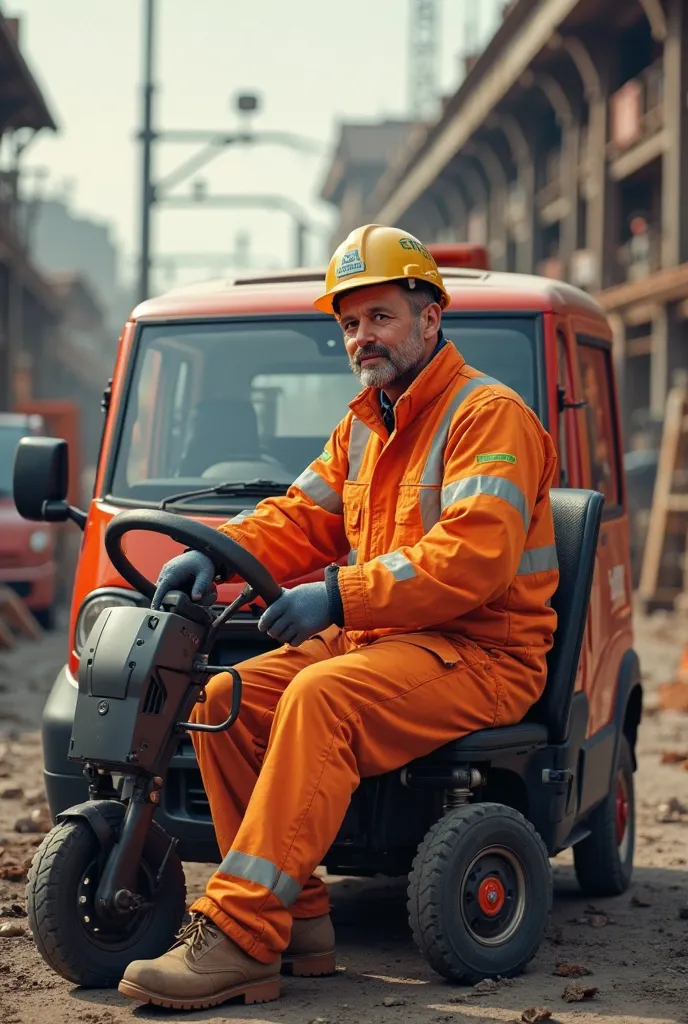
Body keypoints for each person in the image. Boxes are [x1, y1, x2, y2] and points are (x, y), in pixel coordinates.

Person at [119, 224, 560, 1010]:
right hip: (385, 642)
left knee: (322, 697)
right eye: (350, 323)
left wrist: (341, 594)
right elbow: (297, 516)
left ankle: (241, 934)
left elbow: (472, 557)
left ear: (431, 316)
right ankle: (297, 918)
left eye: (380, 316)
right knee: (224, 700)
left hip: (481, 653)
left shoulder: (487, 416)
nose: (362, 337)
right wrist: (215, 553)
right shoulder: (366, 424)